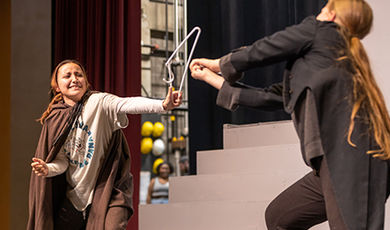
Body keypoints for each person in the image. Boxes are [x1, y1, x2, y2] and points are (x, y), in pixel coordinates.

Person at [190, 0, 390, 229]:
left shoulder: (323, 32)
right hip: (330, 162)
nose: (318, 13)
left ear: (332, 15)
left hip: (354, 157)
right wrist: (211, 78)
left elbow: (267, 48)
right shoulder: (318, 67)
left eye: (324, 8)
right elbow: (267, 97)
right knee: (280, 217)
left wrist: (220, 63)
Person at [28, 59, 182, 230]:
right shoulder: (56, 118)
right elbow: (63, 161)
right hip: (75, 196)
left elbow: (127, 104)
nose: (74, 79)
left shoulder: (98, 102)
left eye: (79, 75)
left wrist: (162, 104)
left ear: (86, 82)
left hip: (109, 189)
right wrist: (48, 169)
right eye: (67, 76)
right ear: (57, 86)